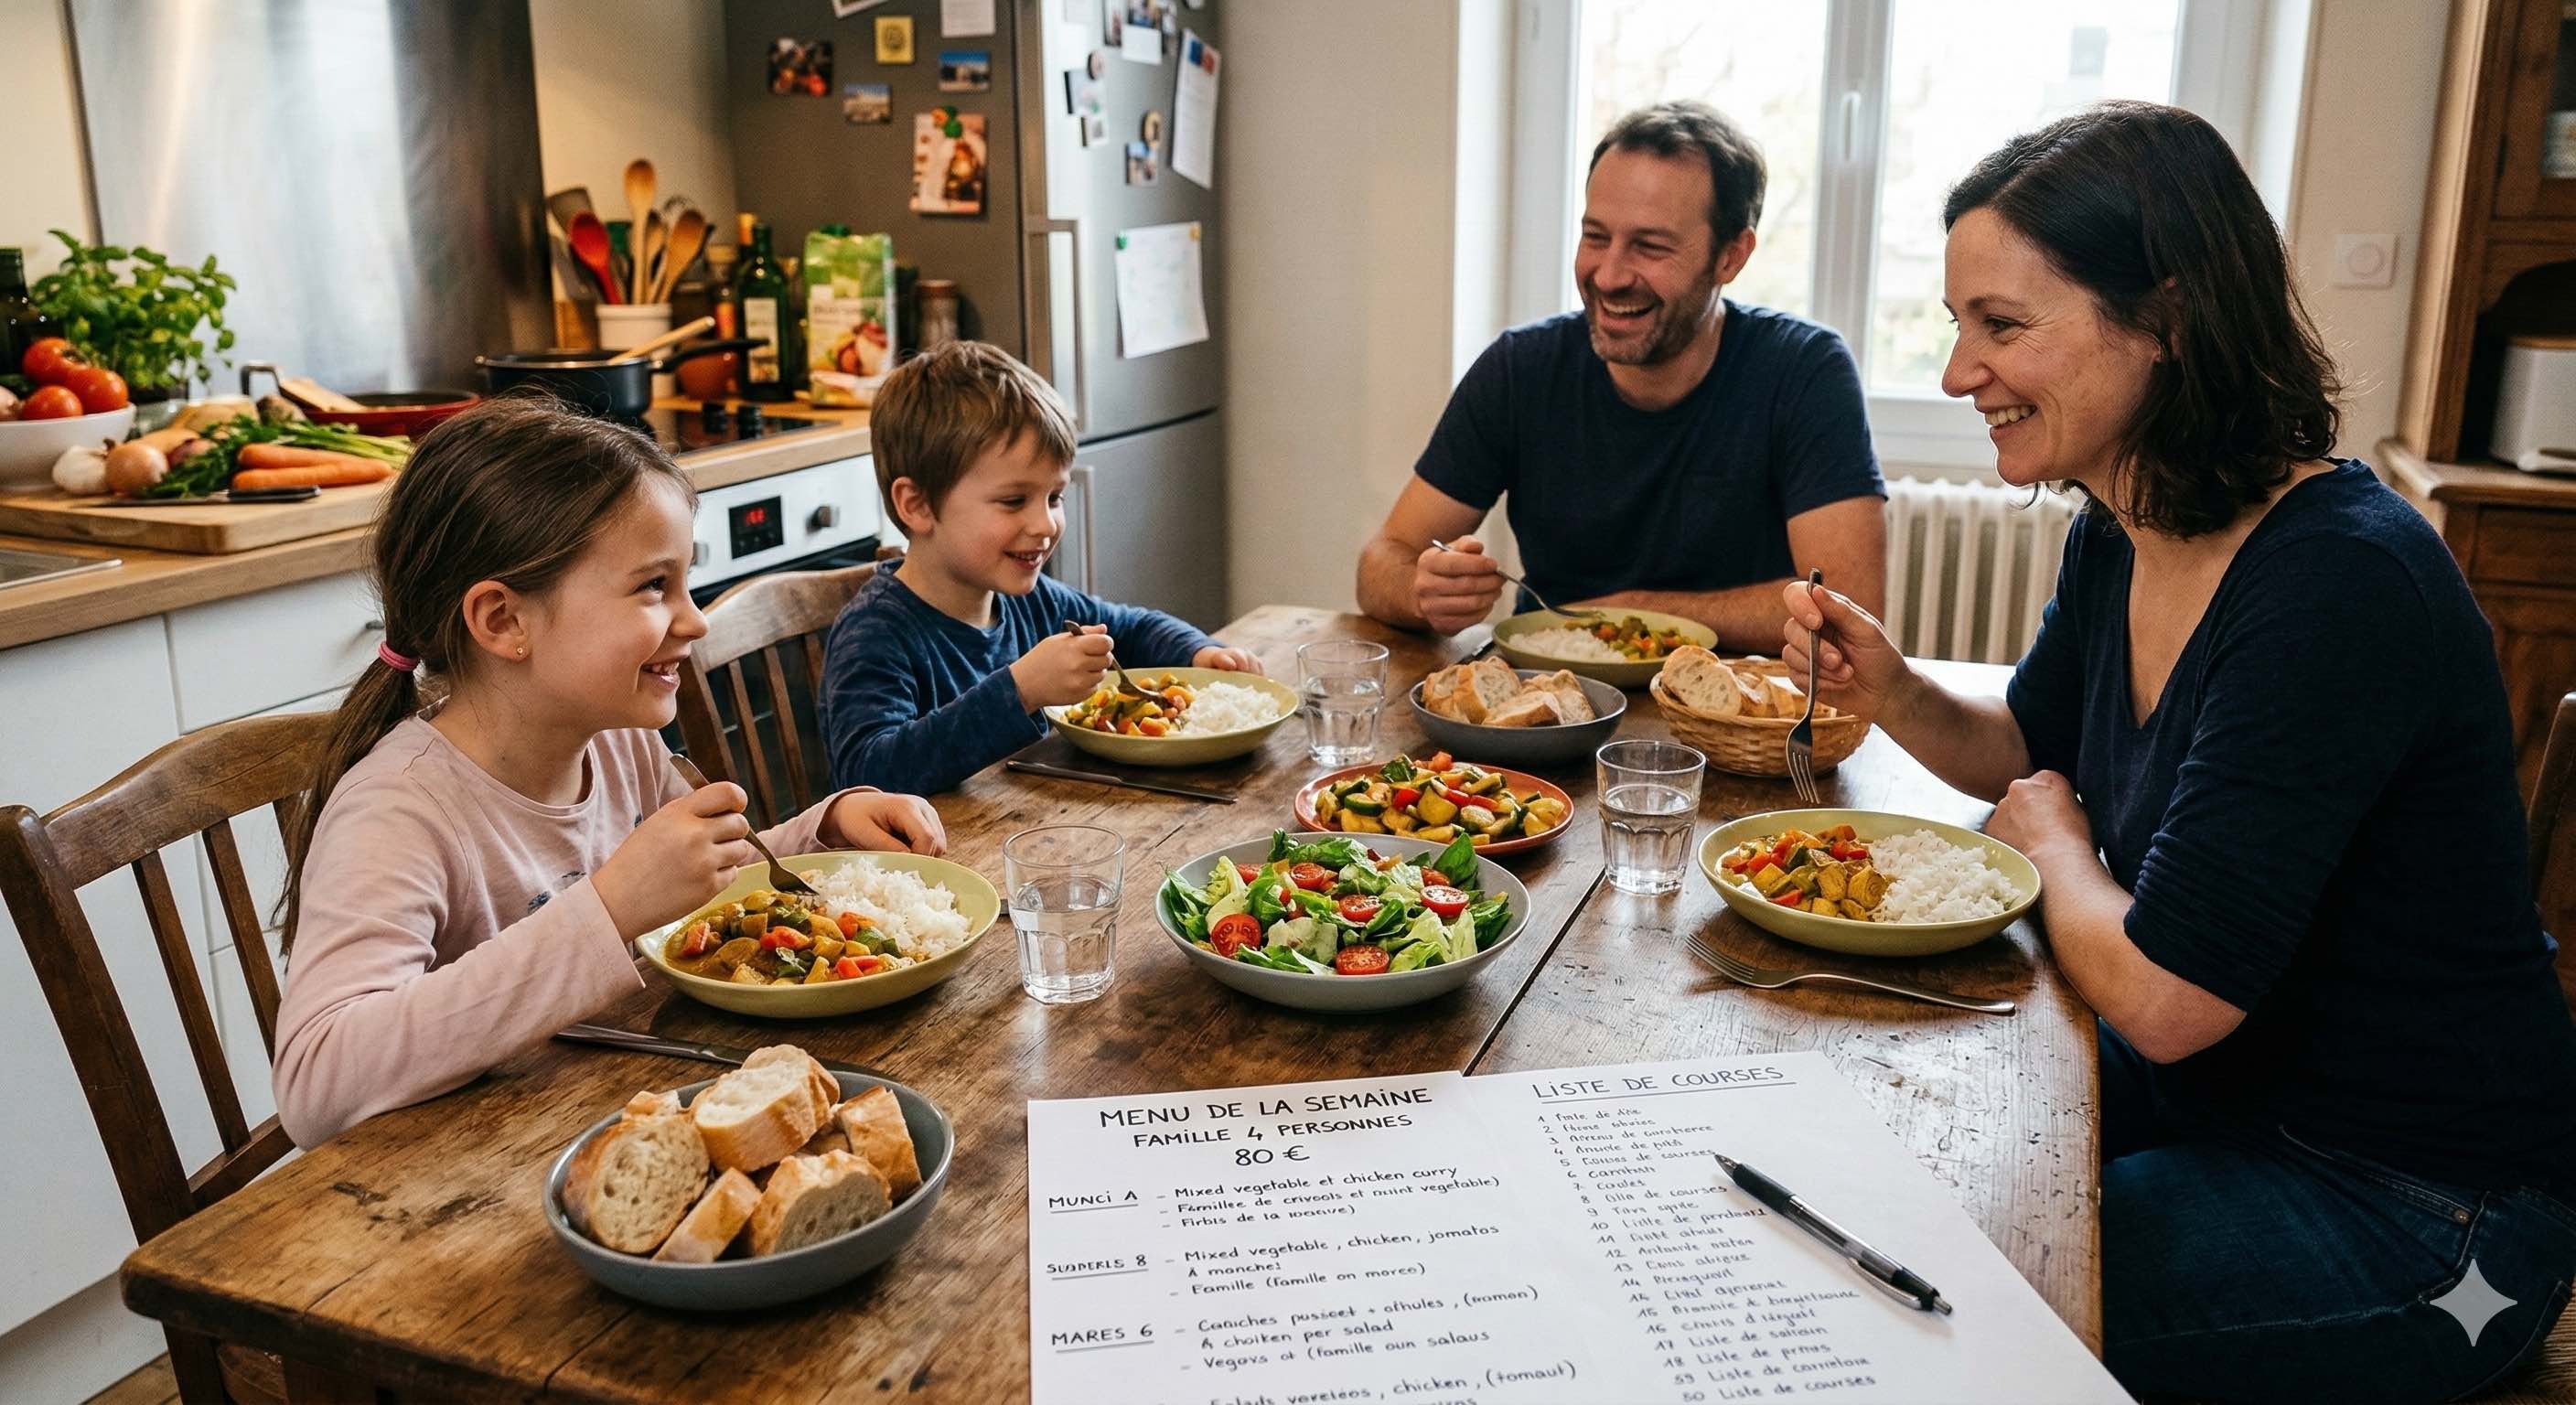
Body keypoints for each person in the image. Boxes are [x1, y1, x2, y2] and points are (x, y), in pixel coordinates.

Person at [1781, 102, 2576, 1400]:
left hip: (2434, 1217)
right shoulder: (2126, 520)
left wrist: (2054, 849)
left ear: (2168, 321)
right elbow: (2024, 748)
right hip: (2224, 1120)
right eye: (1959, 326)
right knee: (1849, 1192)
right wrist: (1895, 690)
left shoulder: (2339, 584)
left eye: (2003, 326)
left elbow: (2166, 997)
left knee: (1914, 1329)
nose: (1957, 372)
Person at [271, 398, 946, 1148]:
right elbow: (315, 1083)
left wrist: (824, 829)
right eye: (654, 587)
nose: (695, 622)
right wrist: (609, 907)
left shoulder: (616, 740)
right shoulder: (398, 810)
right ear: (503, 621)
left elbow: (703, 884)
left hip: (593, 1120)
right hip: (442, 1196)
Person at [1357, 100, 1885, 647]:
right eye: (1595, 237)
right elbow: (1380, 563)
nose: (1608, 276)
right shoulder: (1520, 369)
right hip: (1553, 704)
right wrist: (1423, 590)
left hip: (1736, 716)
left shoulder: (1804, 369)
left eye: (1649, 246)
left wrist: (1630, 611)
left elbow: (1851, 606)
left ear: (1731, 257)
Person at [819, 341, 1261, 795]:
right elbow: (869, 775)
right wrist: (1021, 691)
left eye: (1055, 497)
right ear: (918, 506)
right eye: (1014, 501)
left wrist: (1197, 653)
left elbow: (1129, 629)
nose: (1046, 524)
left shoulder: (1032, 601)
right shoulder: (875, 631)